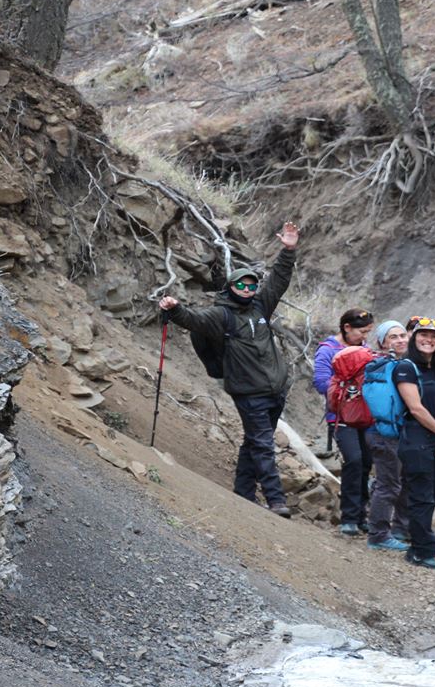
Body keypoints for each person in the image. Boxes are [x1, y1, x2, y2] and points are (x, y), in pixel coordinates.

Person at [158, 223, 299, 518]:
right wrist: (175, 308)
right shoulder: (220, 315)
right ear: (231, 288)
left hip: (275, 390)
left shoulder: (261, 307)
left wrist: (288, 250)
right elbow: (193, 320)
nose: (247, 290)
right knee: (263, 444)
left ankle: (243, 492)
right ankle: (276, 501)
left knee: (254, 441)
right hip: (248, 392)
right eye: (241, 286)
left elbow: (279, 279)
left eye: (251, 286)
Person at [396, 317, 435, 569]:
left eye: (434, 337)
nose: (429, 340)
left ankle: (417, 549)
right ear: (414, 337)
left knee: (429, 494)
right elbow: (416, 409)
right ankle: (424, 552)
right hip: (416, 439)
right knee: (421, 497)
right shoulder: (406, 367)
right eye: (423, 335)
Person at [313, 309, 375, 536]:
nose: (365, 336)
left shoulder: (366, 349)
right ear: (347, 327)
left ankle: (361, 516)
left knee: (366, 462)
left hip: (365, 416)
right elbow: (321, 382)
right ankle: (349, 517)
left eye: (368, 332)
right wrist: (348, 386)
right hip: (340, 416)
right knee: (354, 460)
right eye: (362, 331)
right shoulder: (327, 350)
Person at [365, 320, 411, 551]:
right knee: (389, 484)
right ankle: (379, 535)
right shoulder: (388, 366)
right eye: (393, 337)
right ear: (383, 342)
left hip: (386, 432)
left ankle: (396, 528)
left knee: (392, 482)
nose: (400, 340)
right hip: (386, 433)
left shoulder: (393, 364)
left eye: (403, 335)